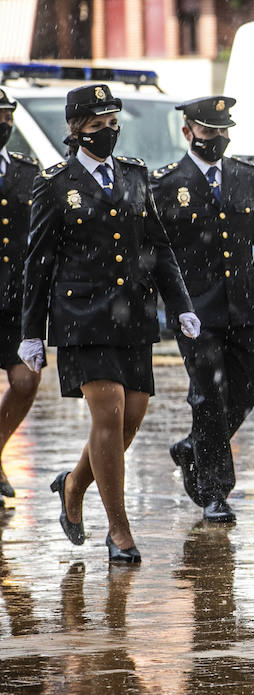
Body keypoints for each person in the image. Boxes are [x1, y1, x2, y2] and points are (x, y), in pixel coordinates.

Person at [22, 84, 201, 563]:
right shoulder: (55, 183)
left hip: (134, 315)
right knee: (110, 410)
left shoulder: (135, 175)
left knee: (132, 414)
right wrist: (30, 333)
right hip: (82, 316)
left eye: (112, 123)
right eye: (98, 126)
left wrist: (180, 303)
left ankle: (74, 484)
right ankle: (119, 531)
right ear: (77, 130)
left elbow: (158, 246)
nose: (109, 132)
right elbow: (38, 263)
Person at [152, 95, 254, 523]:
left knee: (252, 383)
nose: (219, 139)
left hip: (244, 307)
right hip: (197, 311)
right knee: (208, 395)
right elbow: (157, 251)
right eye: (210, 132)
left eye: (224, 131)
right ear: (188, 132)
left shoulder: (247, 177)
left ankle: (195, 447)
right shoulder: (167, 183)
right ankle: (214, 492)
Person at [0, 87, 42, 500]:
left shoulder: (27, 171)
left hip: (15, 300)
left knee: (26, 380)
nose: (4, 123)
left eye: (7, 115)